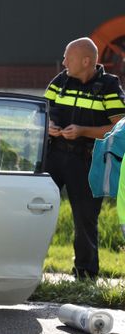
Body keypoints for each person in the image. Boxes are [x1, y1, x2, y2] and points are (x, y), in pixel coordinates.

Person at [45, 37, 125, 279]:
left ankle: (86, 276)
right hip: (55, 156)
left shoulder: (109, 86)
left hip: (87, 162)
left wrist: (82, 131)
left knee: (85, 219)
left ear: (86, 60)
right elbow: (41, 111)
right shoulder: (60, 81)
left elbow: (119, 126)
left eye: (68, 56)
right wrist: (47, 125)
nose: (64, 61)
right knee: (35, 210)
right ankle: (26, 270)